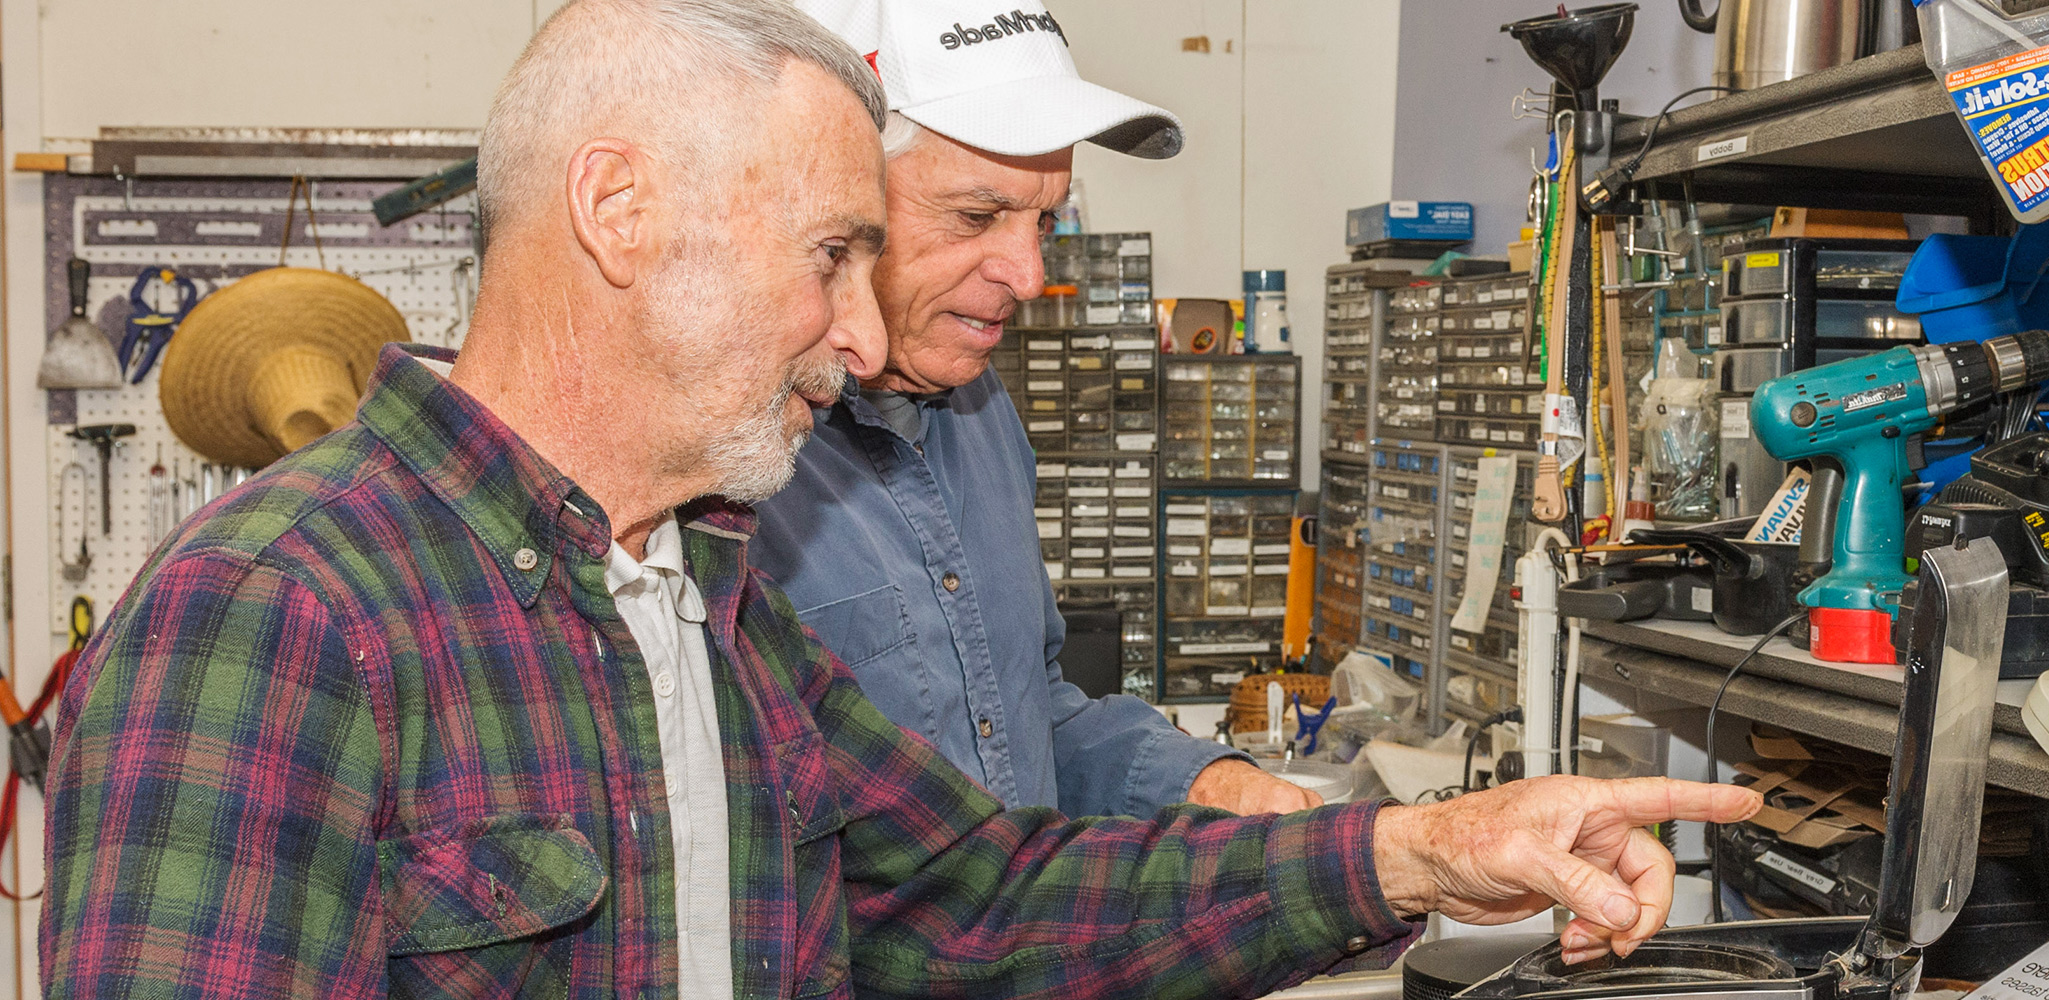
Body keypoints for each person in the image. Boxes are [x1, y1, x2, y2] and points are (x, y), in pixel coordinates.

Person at [42, 2, 1761, 998]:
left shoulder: (700, 599)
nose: (866, 331)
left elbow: (979, 898)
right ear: (623, 214)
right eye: (836, 253)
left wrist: (1421, 853)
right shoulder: (277, 615)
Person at [747, 0, 1313, 818]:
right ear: (828, 194)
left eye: (1043, 218)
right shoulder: (722, 459)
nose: (1030, 272)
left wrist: (1208, 785)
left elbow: (1025, 717)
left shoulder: (980, 410)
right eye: (978, 216)